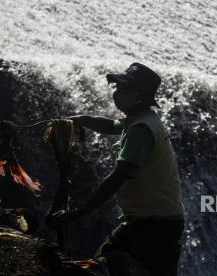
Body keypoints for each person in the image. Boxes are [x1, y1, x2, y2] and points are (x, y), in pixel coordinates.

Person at [50, 63, 185, 276]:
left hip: (156, 226)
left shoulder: (141, 129)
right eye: (117, 87)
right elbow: (110, 126)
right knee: (102, 263)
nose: (116, 93)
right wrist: (80, 121)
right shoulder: (139, 120)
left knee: (105, 265)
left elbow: (117, 178)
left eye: (123, 89)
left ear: (138, 95)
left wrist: (77, 213)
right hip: (142, 220)